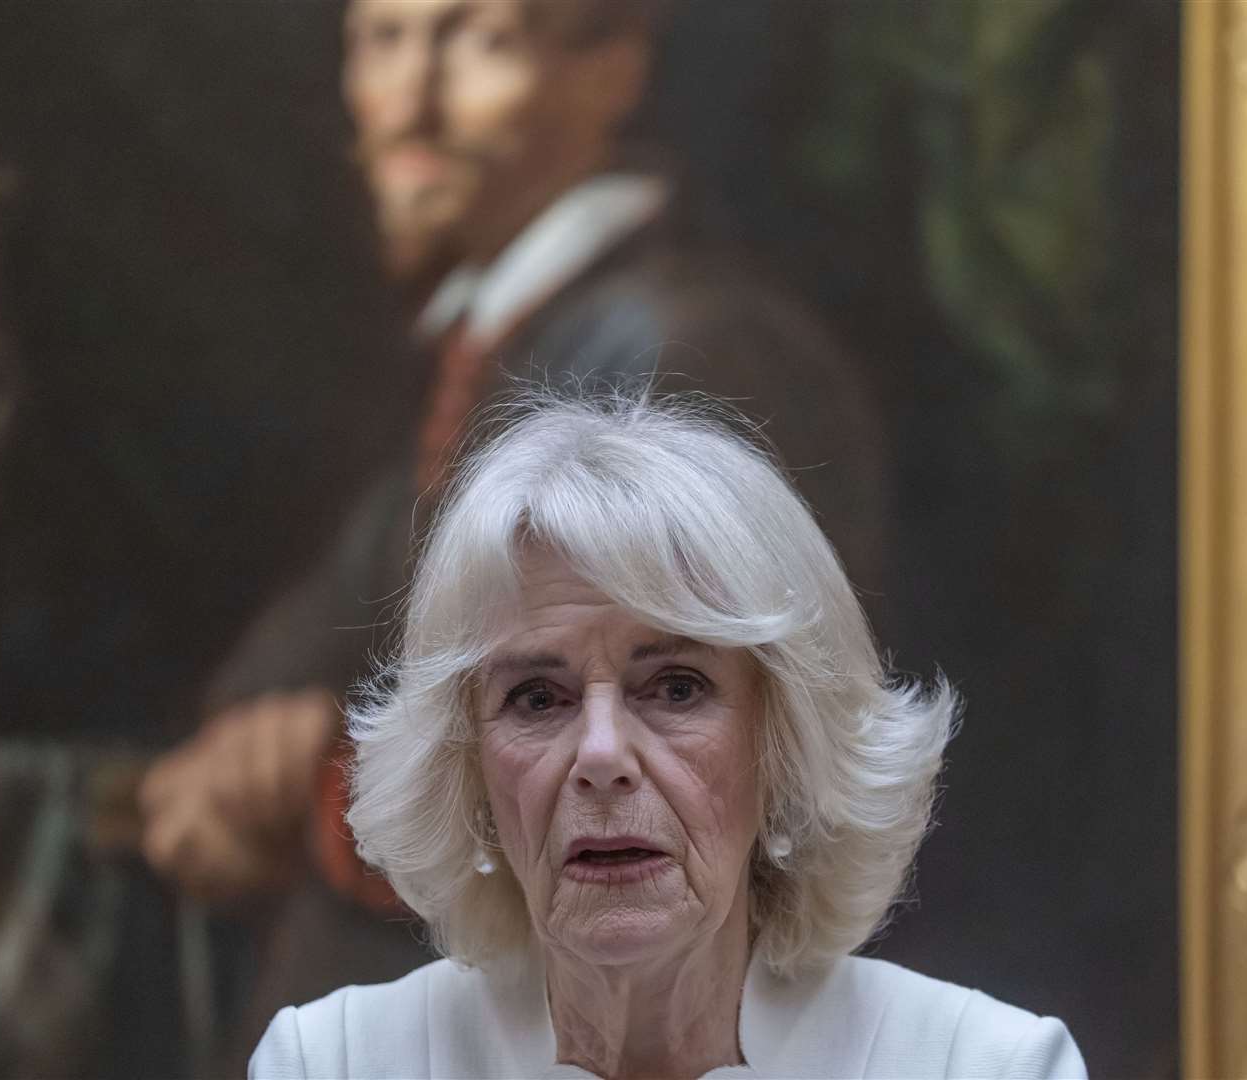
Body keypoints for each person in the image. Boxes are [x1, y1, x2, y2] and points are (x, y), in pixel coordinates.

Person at [142, 0, 887, 917]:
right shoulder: (480, 343)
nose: (410, 102)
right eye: (383, 40)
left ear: (612, 66)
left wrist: (315, 794)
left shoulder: (685, 350)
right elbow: (337, 611)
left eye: (479, 41)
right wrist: (250, 735)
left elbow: (651, 765)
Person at [249, 392, 1084, 1079]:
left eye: (677, 688)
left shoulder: (984, 1066)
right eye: (538, 699)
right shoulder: (333, 1065)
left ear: (783, 740)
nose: (602, 757)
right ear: (465, 770)